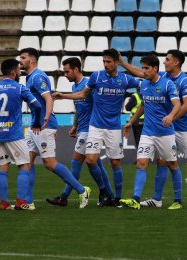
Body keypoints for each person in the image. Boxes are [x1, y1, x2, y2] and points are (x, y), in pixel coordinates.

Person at [119, 49, 187, 209]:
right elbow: (142, 73)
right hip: (166, 127)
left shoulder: (185, 81)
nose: (164, 62)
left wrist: (170, 118)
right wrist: (122, 63)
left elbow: (186, 105)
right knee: (161, 161)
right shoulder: (164, 78)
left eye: (167, 59)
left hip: (183, 128)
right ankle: (156, 199)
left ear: (176, 62)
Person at [54, 49, 140, 206]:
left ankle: (117, 198)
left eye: (109, 62)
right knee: (91, 160)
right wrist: (63, 96)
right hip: (95, 126)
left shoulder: (125, 79)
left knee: (115, 163)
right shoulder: (97, 76)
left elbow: (143, 76)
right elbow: (82, 95)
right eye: (104, 61)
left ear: (116, 63)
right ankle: (104, 191)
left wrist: (123, 62)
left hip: (113, 127)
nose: (105, 64)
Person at [19, 48, 91, 209]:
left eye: (23, 58)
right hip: (35, 125)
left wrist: (46, 118)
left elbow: (48, 98)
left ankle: (82, 189)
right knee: (27, 162)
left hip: (43, 125)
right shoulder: (30, 77)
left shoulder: (38, 77)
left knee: (49, 163)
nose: (20, 60)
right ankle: (28, 202)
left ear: (32, 60)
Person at [46, 57, 113, 207]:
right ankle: (109, 195)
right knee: (96, 164)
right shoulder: (75, 87)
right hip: (82, 128)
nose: (65, 74)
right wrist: (75, 125)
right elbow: (79, 108)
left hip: (91, 129)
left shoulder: (88, 85)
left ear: (76, 69)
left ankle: (64, 197)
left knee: (76, 162)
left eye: (67, 71)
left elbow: (99, 105)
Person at [119, 55, 182, 210]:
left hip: (165, 133)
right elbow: (142, 105)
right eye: (143, 68)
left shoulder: (167, 84)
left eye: (146, 68)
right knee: (141, 163)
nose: (144, 71)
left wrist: (170, 115)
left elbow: (177, 104)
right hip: (147, 132)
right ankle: (136, 199)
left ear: (155, 68)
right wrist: (131, 122)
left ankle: (178, 201)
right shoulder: (144, 85)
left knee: (172, 164)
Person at [0, 59, 42, 210]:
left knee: (3, 168)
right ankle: (20, 202)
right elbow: (37, 105)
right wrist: (36, 122)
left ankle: (4, 203)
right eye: (18, 69)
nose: (20, 72)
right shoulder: (19, 88)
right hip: (14, 134)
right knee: (25, 165)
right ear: (12, 72)